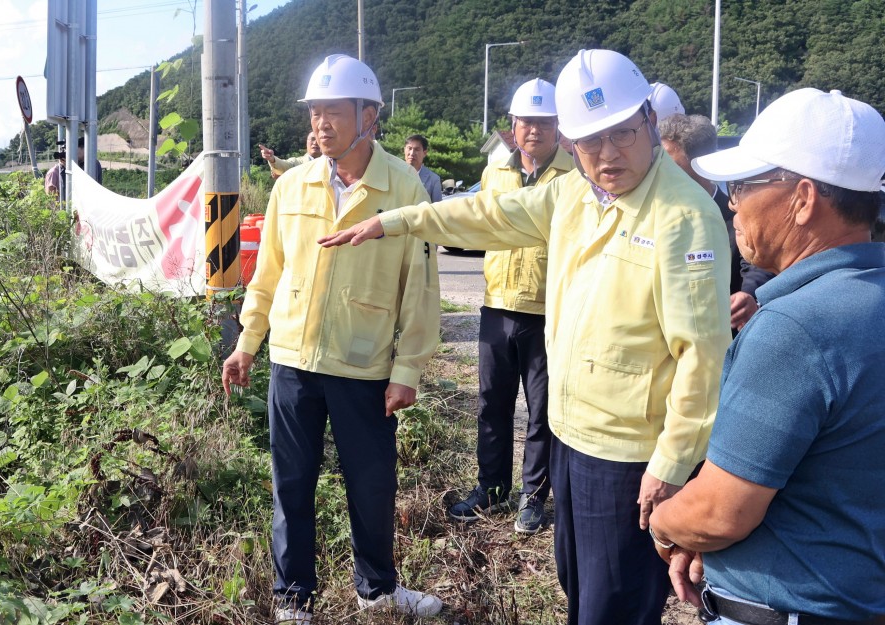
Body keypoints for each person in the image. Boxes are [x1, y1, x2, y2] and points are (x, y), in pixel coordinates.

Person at [319, 49, 731, 625]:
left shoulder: (683, 215)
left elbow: (702, 357)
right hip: (571, 435)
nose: (609, 154)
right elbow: (486, 215)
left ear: (648, 122)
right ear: (571, 143)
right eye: (590, 142)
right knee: (577, 585)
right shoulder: (573, 195)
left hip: (629, 455)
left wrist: (671, 462)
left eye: (623, 134)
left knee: (615, 602)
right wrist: (394, 220)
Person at [649, 87, 885, 624]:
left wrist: (667, 524)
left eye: (742, 186)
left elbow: (719, 511)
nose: (732, 204)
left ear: (803, 199)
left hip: (788, 605)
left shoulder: (795, 328)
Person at [220, 54, 442, 624]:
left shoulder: (404, 185)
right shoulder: (292, 186)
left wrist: (408, 368)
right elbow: (267, 272)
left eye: (334, 112)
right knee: (290, 482)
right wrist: (249, 341)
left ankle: (377, 590)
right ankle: (293, 598)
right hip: (293, 358)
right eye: (316, 112)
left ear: (370, 116)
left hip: (364, 364)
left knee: (371, 485)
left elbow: (418, 286)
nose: (321, 124)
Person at [446, 78, 573, 535]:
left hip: (548, 312)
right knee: (491, 405)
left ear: (558, 127)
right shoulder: (494, 174)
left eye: (543, 122)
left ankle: (533, 498)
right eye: (526, 122)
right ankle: (491, 490)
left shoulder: (574, 178)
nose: (534, 130)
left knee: (542, 411)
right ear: (513, 127)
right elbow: (478, 226)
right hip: (496, 307)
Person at [659, 113, 774, 332]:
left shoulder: (737, 215)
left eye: (671, 165)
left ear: (701, 163)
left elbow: (757, 264)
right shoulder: (652, 210)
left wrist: (747, 295)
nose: (661, 172)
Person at [402, 134, 443, 202]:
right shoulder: (394, 173)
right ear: (404, 150)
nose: (412, 153)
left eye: (416, 149)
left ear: (425, 153)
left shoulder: (434, 180)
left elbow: (436, 209)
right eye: (409, 148)